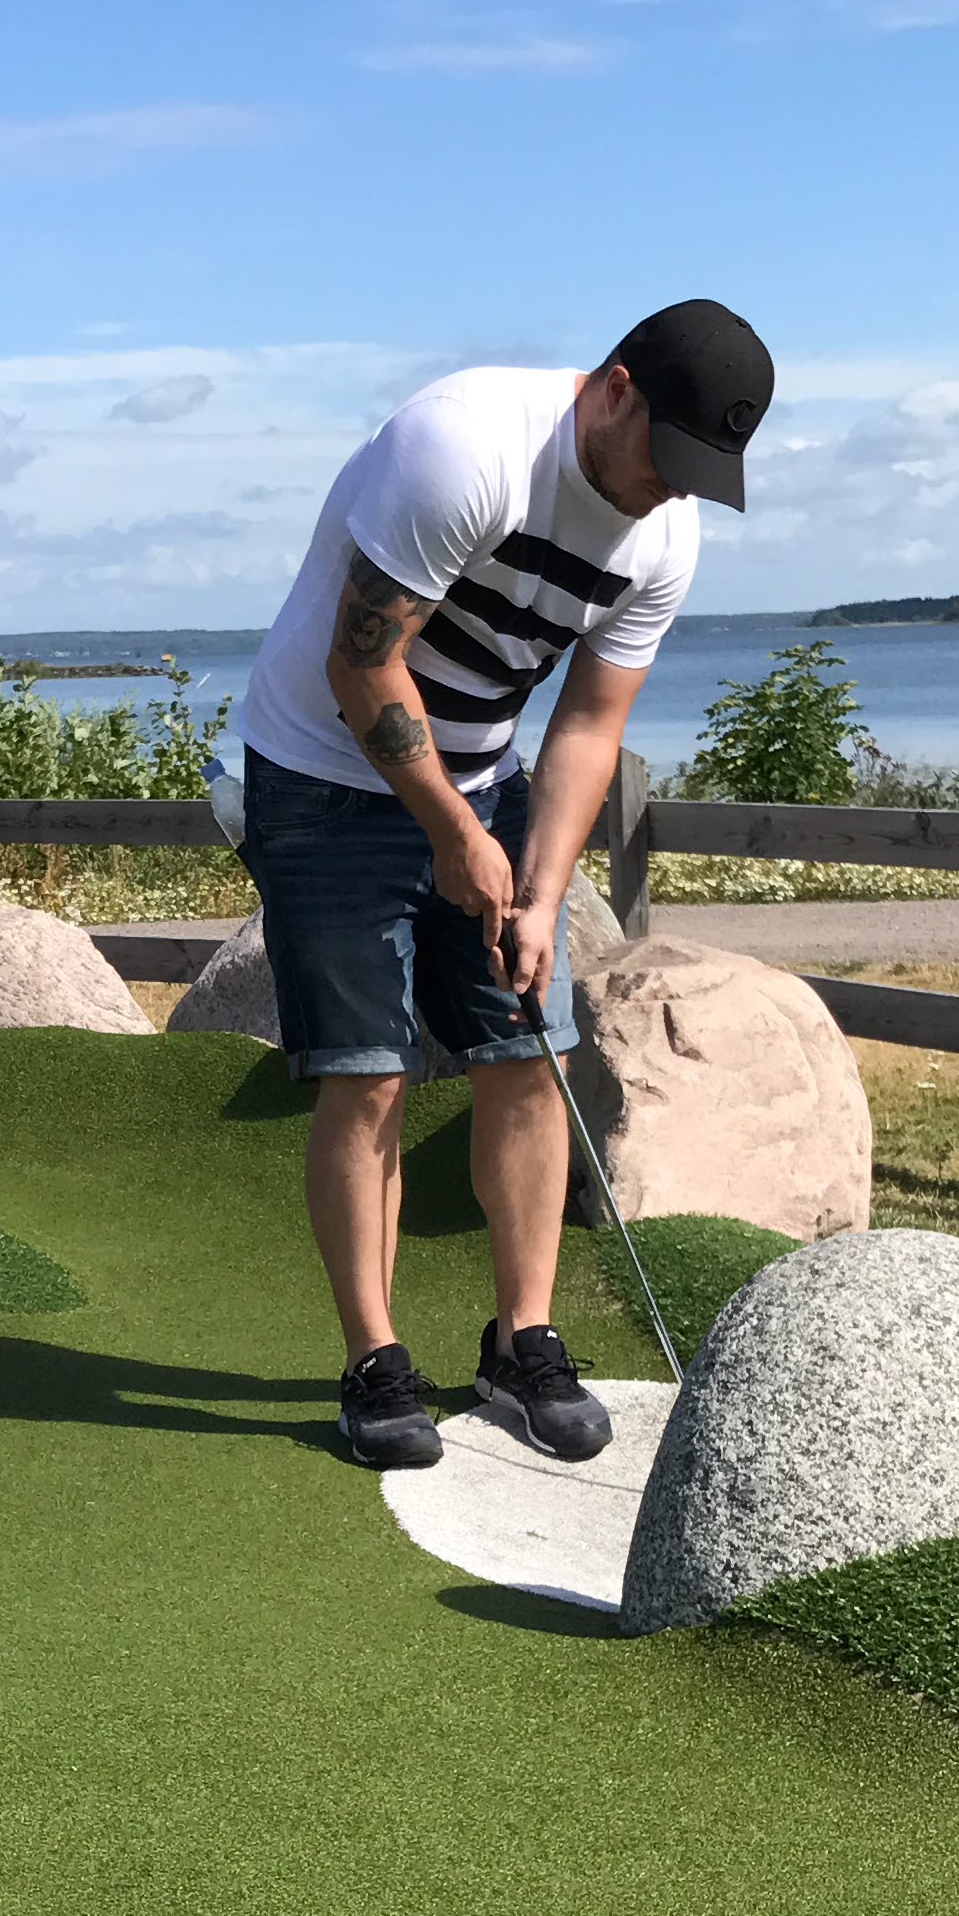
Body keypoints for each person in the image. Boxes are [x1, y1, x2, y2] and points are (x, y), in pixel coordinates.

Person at [225, 299, 774, 1468]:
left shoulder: (664, 537)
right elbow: (358, 659)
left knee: (530, 1051)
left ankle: (521, 1340)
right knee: (367, 1076)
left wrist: (534, 884)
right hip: (322, 768)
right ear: (615, 388)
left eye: (696, 475)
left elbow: (585, 727)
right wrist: (451, 834)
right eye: (662, 458)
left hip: (486, 769)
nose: (666, 492)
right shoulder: (465, 449)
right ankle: (375, 1364)